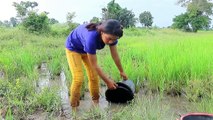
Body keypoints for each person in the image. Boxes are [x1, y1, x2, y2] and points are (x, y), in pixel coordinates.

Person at [65, 19, 128, 110]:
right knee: (78, 79)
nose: (111, 42)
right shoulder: (91, 38)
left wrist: (121, 71)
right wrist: (108, 81)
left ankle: (96, 103)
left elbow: (115, 56)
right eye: (109, 38)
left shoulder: (111, 36)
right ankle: (74, 107)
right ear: (102, 32)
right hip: (73, 49)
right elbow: (95, 65)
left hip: (86, 50)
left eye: (114, 39)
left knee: (94, 77)